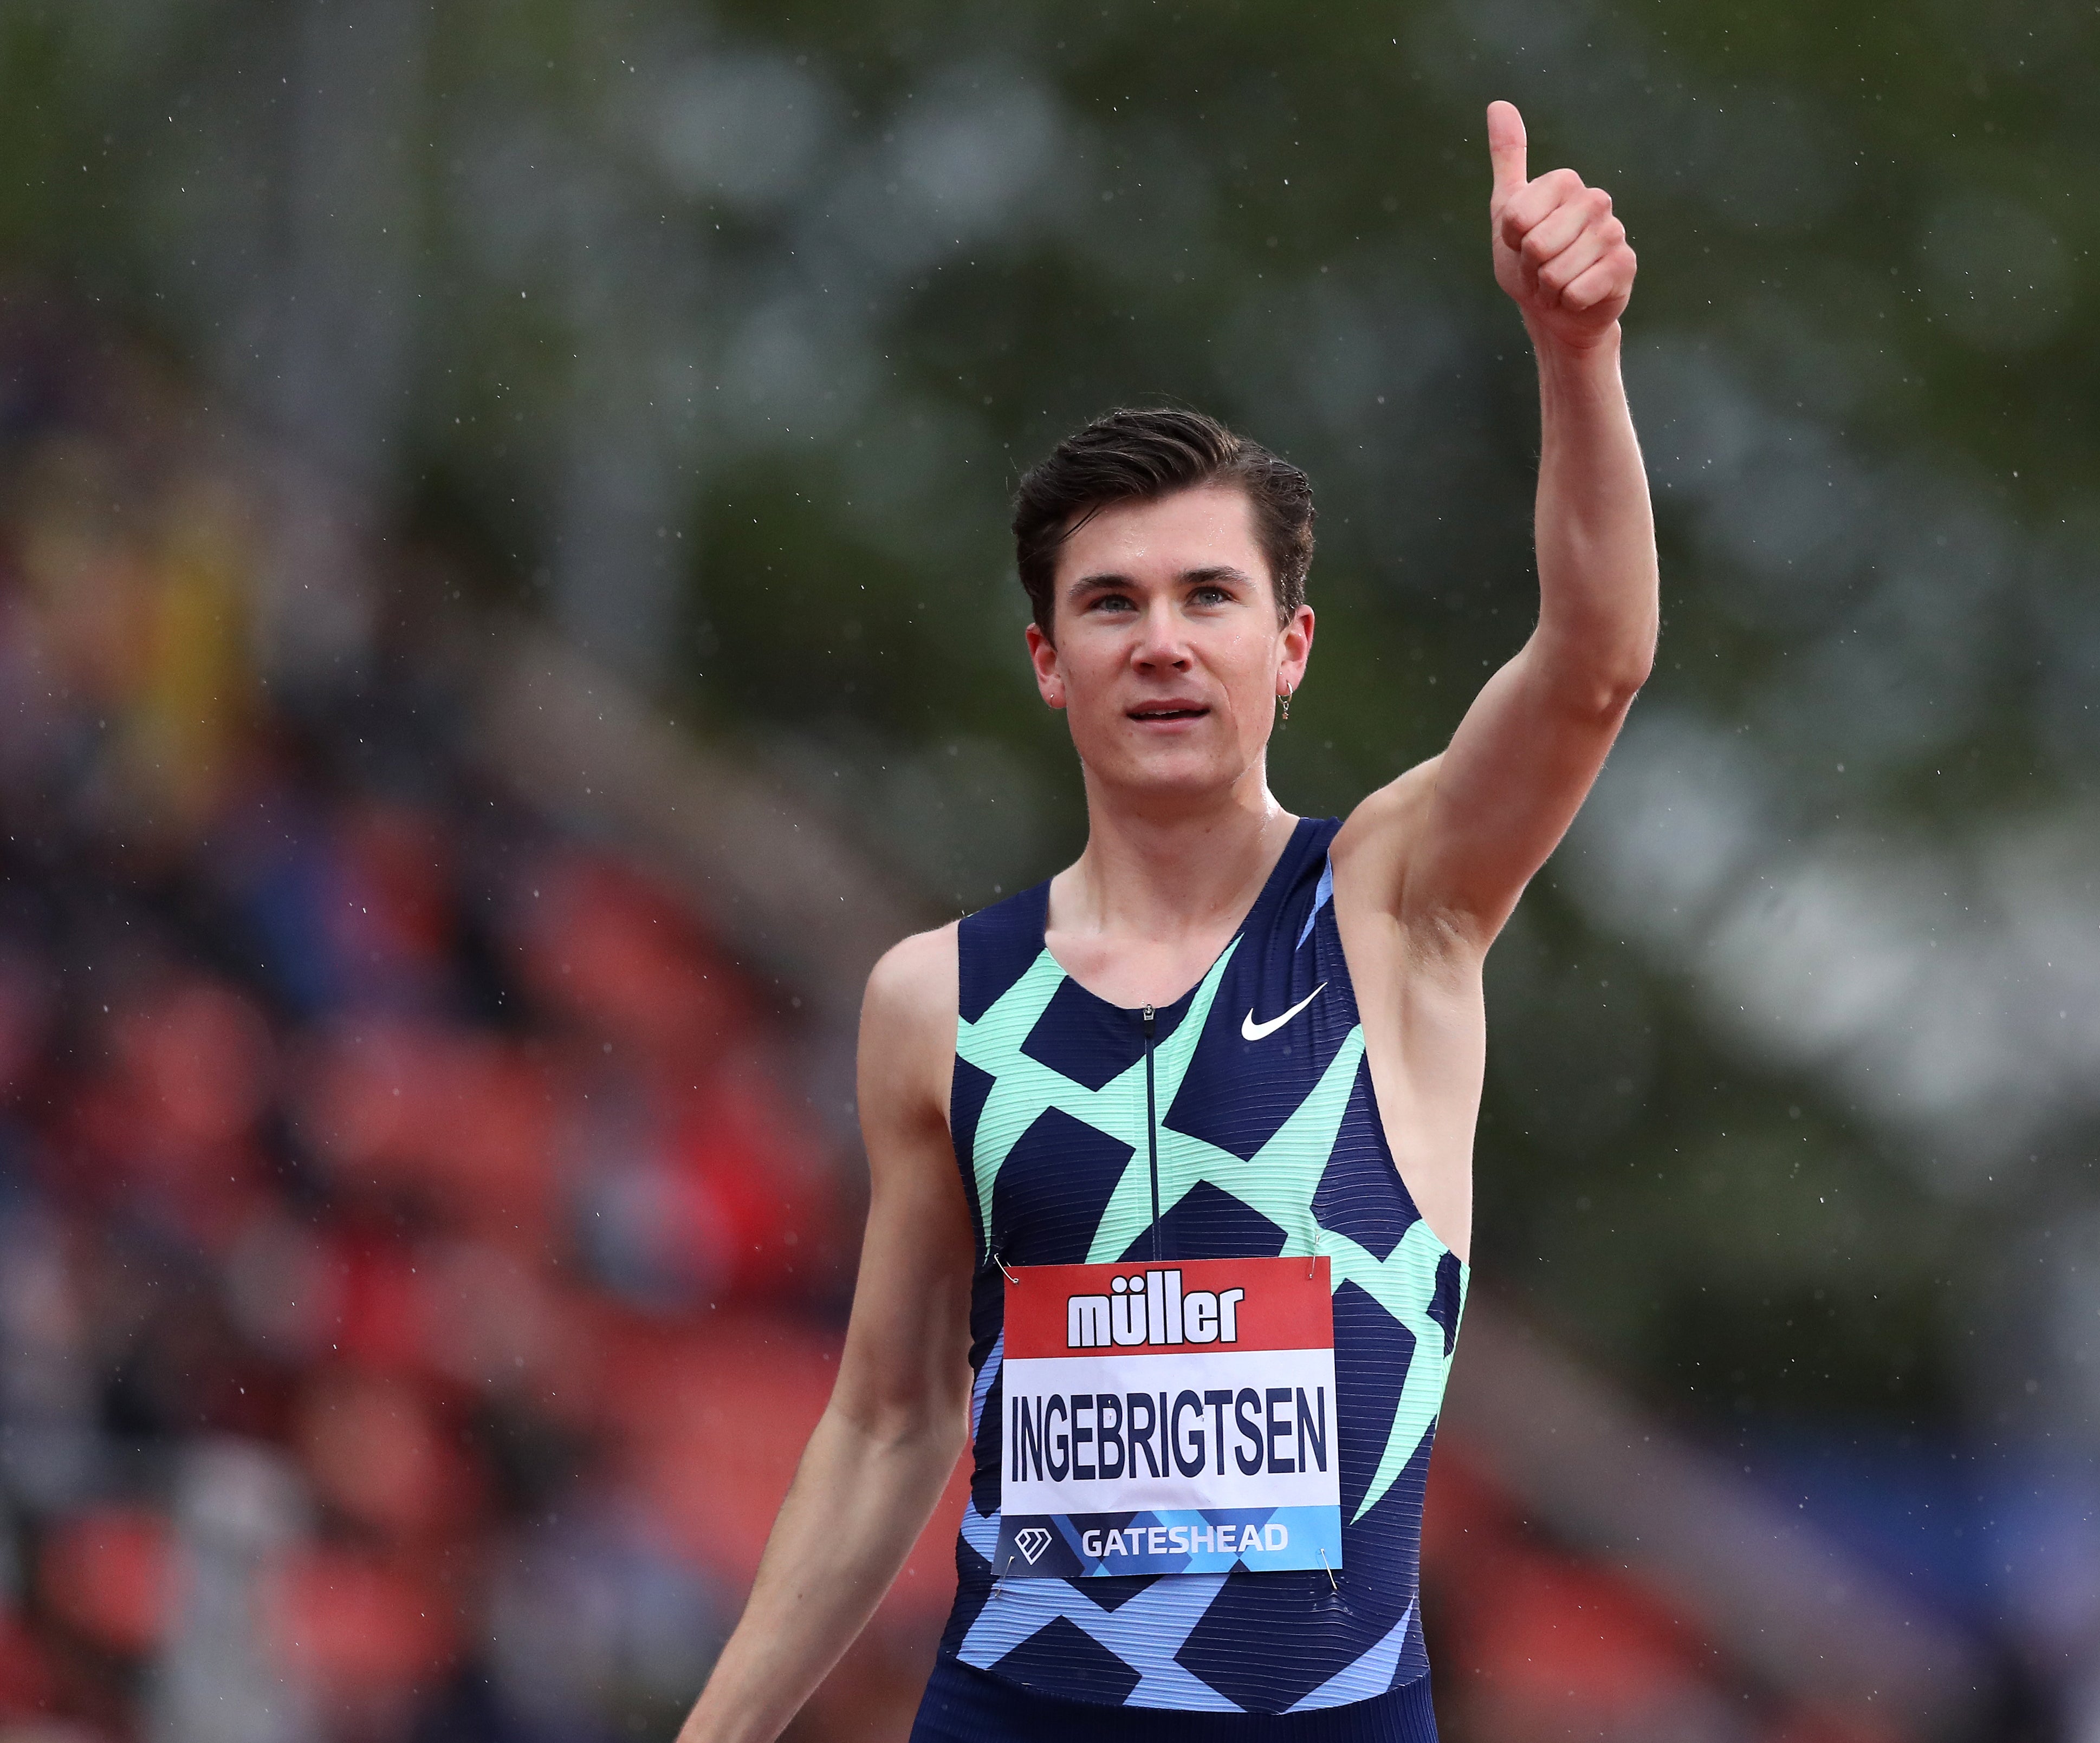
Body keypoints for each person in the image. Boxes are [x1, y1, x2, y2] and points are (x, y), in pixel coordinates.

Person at [675, 99, 1654, 1741]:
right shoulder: (940, 1001)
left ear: (1292, 646)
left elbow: (1596, 662)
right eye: (1110, 605)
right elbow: (889, 1419)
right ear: (1049, 661)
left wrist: (1577, 352)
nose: (1162, 643)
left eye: (1211, 597)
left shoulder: (1394, 906)